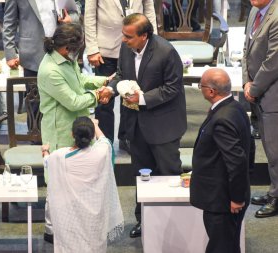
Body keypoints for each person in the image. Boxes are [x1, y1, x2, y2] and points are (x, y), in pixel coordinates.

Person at [108, 13, 187, 238]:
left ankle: (174, 224)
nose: (123, 40)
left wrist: (142, 99)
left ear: (144, 36)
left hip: (164, 126)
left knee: (168, 174)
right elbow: (122, 75)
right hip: (136, 126)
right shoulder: (126, 48)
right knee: (142, 175)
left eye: (129, 36)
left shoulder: (166, 52)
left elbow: (173, 87)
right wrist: (111, 89)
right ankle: (144, 220)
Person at [38, 23, 113, 243]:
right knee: (57, 182)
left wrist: (105, 80)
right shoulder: (50, 69)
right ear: (65, 46)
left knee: (74, 179)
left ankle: (71, 223)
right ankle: (52, 230)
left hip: (75, 124)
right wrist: (99, 96)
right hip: (59, 129)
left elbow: (80, 81)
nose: (76, 53)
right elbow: (73, 101)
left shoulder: (66, 59)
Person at [190, 68, 251, 253]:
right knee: (229, 244)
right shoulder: (236, 107)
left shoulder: (222, 118)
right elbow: (249, 149)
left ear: (211, 91)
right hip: (227, 194)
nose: (200, 89)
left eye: (201, 85)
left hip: (222, 200)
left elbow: (237, 161)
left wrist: (236, 198)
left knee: (221, 246)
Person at [42, 116, 124, 253]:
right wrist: (95, 124)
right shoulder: (101, 152)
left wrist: (45, 151)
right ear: (92, 136)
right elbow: (104, 140)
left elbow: (47, 162)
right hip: (94, 215)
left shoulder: (60, 156)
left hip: (69, 213)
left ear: (72, 134)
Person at [84, 0, 157, 149]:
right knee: (105, 99)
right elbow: (89, 15)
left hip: (136, 46)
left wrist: (153, 41)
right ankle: (105, 142)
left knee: (131, 94)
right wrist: (92, 48)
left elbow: (149, 9)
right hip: (105, 49)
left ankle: (127, 137)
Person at [243, 0, 278, 218]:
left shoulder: (276, 17)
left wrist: (254, 88)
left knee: (276, 152)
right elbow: (247, 49)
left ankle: (277, 199)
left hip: (272, 94)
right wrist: (246, 81)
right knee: (270, 148)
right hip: (258, 92)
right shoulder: (255, 11)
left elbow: (273, 61)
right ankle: (274, 191)